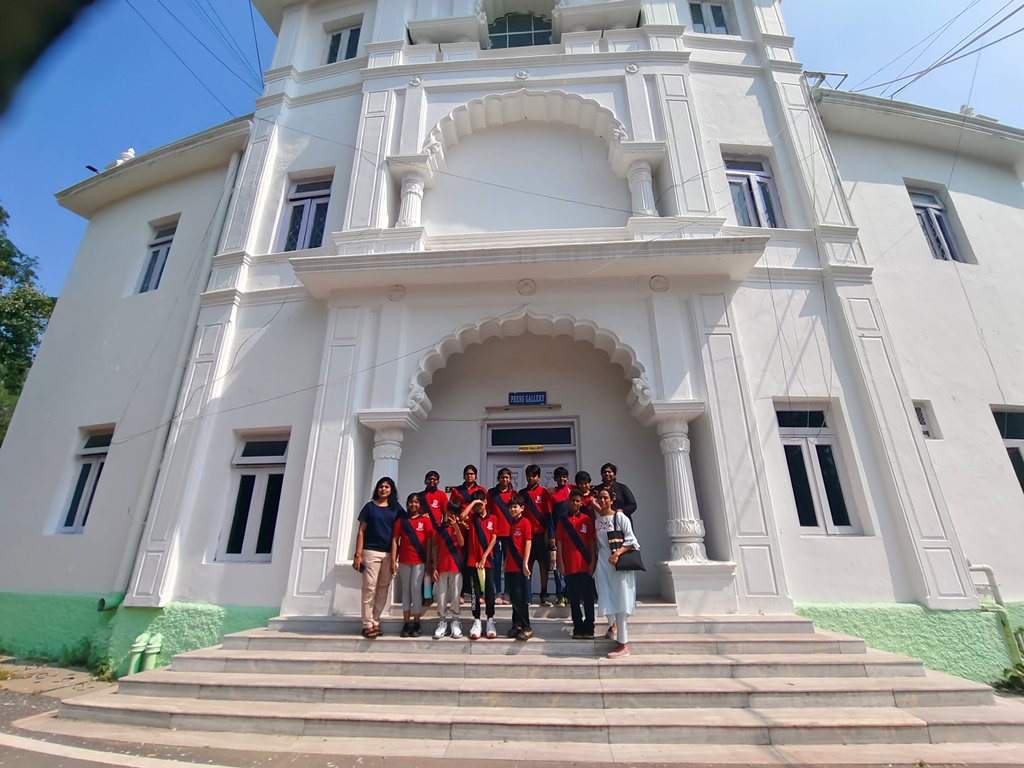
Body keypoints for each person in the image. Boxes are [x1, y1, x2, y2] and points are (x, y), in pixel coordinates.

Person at [352, 476, 404, 638]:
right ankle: (367, 623)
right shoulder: (369, 508)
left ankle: (376, 620)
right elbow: (361, 531)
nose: (384, 489)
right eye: (381, 486)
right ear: (377, 489)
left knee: (383, 588)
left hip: (389, 553)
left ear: (391, 490)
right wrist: (358, 555)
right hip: (370, 552)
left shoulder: (396, 509)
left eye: (387, 487)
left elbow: (408, 524)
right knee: (369, 588)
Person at [592, 487, 639, 659]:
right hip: (603, 565)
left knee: (621, 601)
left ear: (612, 500)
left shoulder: (620, 518)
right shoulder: (598, 522)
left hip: (619, 565)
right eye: (599, 498)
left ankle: (622, 645)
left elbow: (632, 541)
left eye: (605, 498)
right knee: (606, 598)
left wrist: (617, 554)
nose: (602, 501)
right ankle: (613, 626)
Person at [555, 488, 596, 639]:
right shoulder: (562, 521)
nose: (575, 503)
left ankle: (589, 625)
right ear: (568, 502)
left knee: (588, 597)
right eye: (572, 500)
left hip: (585, 565)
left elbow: (592, 542)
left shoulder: (586, 519)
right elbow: (558, 542)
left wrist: (593, 561)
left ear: (581, 503)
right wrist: (560, 562)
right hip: (569, 565)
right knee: (574, 598)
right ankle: (577, 626)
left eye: (578, 501)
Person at [392, 493, 433, 638]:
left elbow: (429, 542)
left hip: (419, 560)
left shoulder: (425, 521)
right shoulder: (401, 521)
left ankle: (416, 622)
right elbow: (395, 540)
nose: (413, 505)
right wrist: (393, 560)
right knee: (406, 591)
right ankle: (406, 622)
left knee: (416, 590)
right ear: (407, 504)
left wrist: (428, 562)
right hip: (404, 560)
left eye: (416, 502)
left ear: (420, 505)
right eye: (411, 502)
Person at [460, 491, 498, 639]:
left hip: (487, 561)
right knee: (475, 592)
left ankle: (490, 620)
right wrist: (473, 503)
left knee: (489, 591)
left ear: (486, 502)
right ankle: (476, 621)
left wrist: (484, 556)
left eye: (480, 503)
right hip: (472, 561)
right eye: (476, 504)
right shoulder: (471, 519)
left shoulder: (493, 518)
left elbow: (494, 539)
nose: (478, 507)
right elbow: (462, 516)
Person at [519, 464, 554, 606]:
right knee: (528, 564)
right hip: (527, 536)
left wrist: (549, 534)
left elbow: (549, 515)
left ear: (539, 477)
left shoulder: (544, 493)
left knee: (544, 565)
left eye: (534, 475)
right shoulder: (521, 494)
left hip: (541, 534)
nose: (531, 478)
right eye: (529, 475)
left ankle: (544, 593)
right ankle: (527, 594)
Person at [430, 500, 466, 639]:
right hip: (441, 567)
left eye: (454, 514)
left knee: (456, 594)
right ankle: (442, 621)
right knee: (441, 596)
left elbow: (462, 543)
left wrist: (456, 526)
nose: (450, 515)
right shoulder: (439, 529)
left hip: (456, 566)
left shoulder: (460, 527)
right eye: (449, 513)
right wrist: (434, 567)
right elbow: (436, 548)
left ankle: (455, 621)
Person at [450, 465, 485, 603]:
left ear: (476, 475)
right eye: (467, 474)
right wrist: (458, 522)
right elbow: (453, 508)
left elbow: (484, 509)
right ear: (464, 475)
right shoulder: (457, 491)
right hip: (461, 528)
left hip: (477, 528)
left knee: (477, 560)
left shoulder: (481, 490)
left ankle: (479, 592)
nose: (469, 476)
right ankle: (461, 592)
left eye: (472, 474)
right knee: (463, 560)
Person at [505, 495, 533, 640]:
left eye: (515, 507)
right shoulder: (512, 523)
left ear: (522, 508)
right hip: (509, 566)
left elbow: (528, 543)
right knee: (514, 597)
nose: (513, 509)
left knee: (521, 597)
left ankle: (527, 626)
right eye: (511, 507)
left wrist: (525, 563)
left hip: (519, 565)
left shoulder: (525, 523)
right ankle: (517, 624)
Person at [487, 467, 516, 605]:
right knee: (497, 564)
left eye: (507, 477)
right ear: (498, 478)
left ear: (510, 479)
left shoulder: (514, 494)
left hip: (510, 534)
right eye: (502, 477)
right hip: (495, 534)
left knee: (509, 564)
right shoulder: (491, 493)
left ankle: (508, 592)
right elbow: (487, 512)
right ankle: (498, 592)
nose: (505, 480)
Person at [548, 466, 572, 606]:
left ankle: (569, 593)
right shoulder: (552, 494)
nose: (562, 479)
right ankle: (559, 594)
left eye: (564, 477)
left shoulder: (573, 489)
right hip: (556, 535)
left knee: (569, 564)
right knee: (555, 565)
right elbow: (549, 516)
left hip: (571, 535)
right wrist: (551, 535)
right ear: (555, 479)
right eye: (559, 477)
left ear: (567, 478)